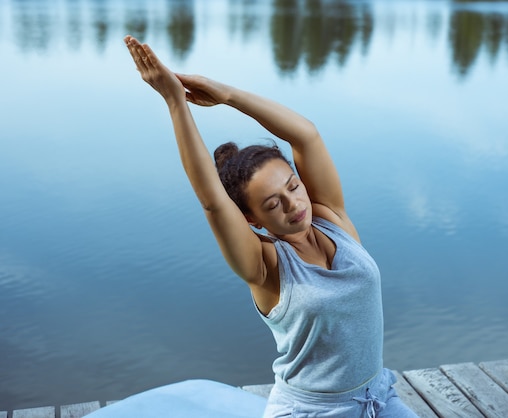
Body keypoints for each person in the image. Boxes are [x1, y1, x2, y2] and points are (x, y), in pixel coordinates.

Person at [124, 35, 418, 418]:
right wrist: (175, 101)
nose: (294, 204)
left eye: (293, 187)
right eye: (272, 204)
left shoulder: (332, 219)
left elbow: (306, 135)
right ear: (251, 219)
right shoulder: (265, 267)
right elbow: (213, 200)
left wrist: (227, 94)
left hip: (377, 398)